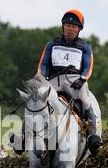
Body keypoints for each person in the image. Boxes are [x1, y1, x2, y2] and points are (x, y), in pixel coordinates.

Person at [10, 9, 102, 155]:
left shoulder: (85, 47)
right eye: (67, 25)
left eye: (74, 27)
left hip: (75, 82)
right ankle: (22, 138)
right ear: (63, 26)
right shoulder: (52, 44)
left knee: (85, 101)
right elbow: (43, 64)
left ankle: (92, 136)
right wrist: (42, 78)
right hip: (53, 81)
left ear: (79, 29)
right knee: (35, 101)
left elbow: (88, 67)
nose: (70, 29)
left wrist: (82, 79)